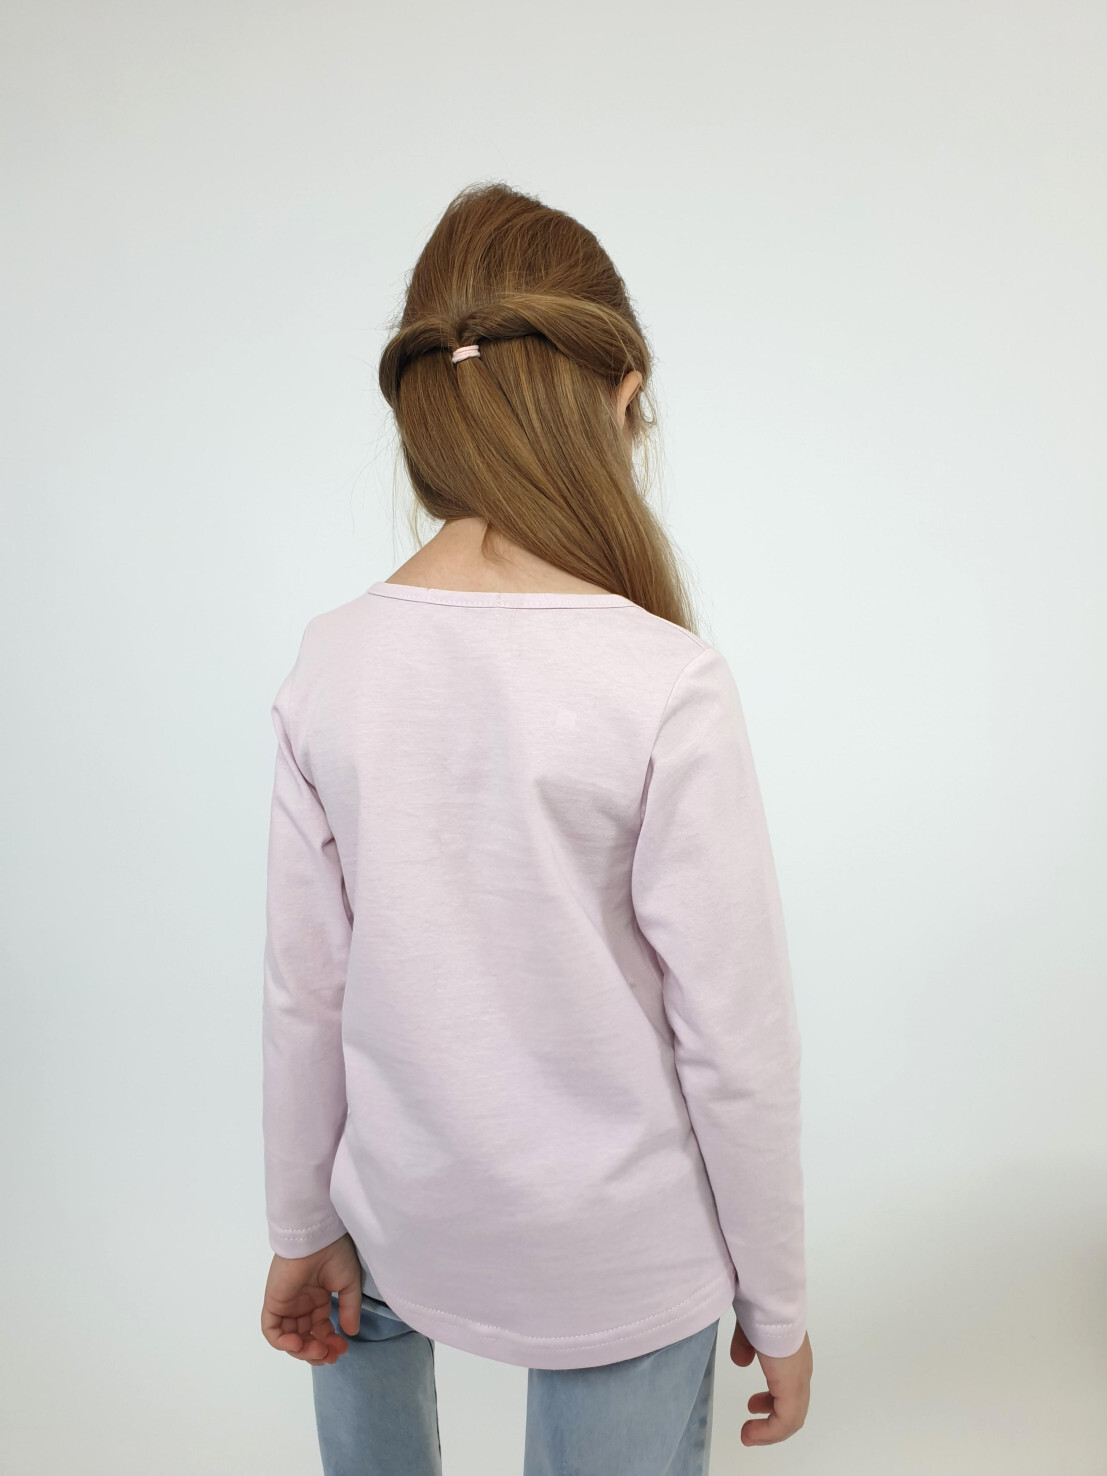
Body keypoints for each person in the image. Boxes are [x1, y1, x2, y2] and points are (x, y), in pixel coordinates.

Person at [259, 181, 812, 1474]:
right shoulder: (664, 679)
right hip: (617, 1251)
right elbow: (733, 1040)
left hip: (393, 1214)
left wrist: (297, 1224)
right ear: (621, 398)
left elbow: (305, 993)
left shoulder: (331, 663)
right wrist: (777, 1303)